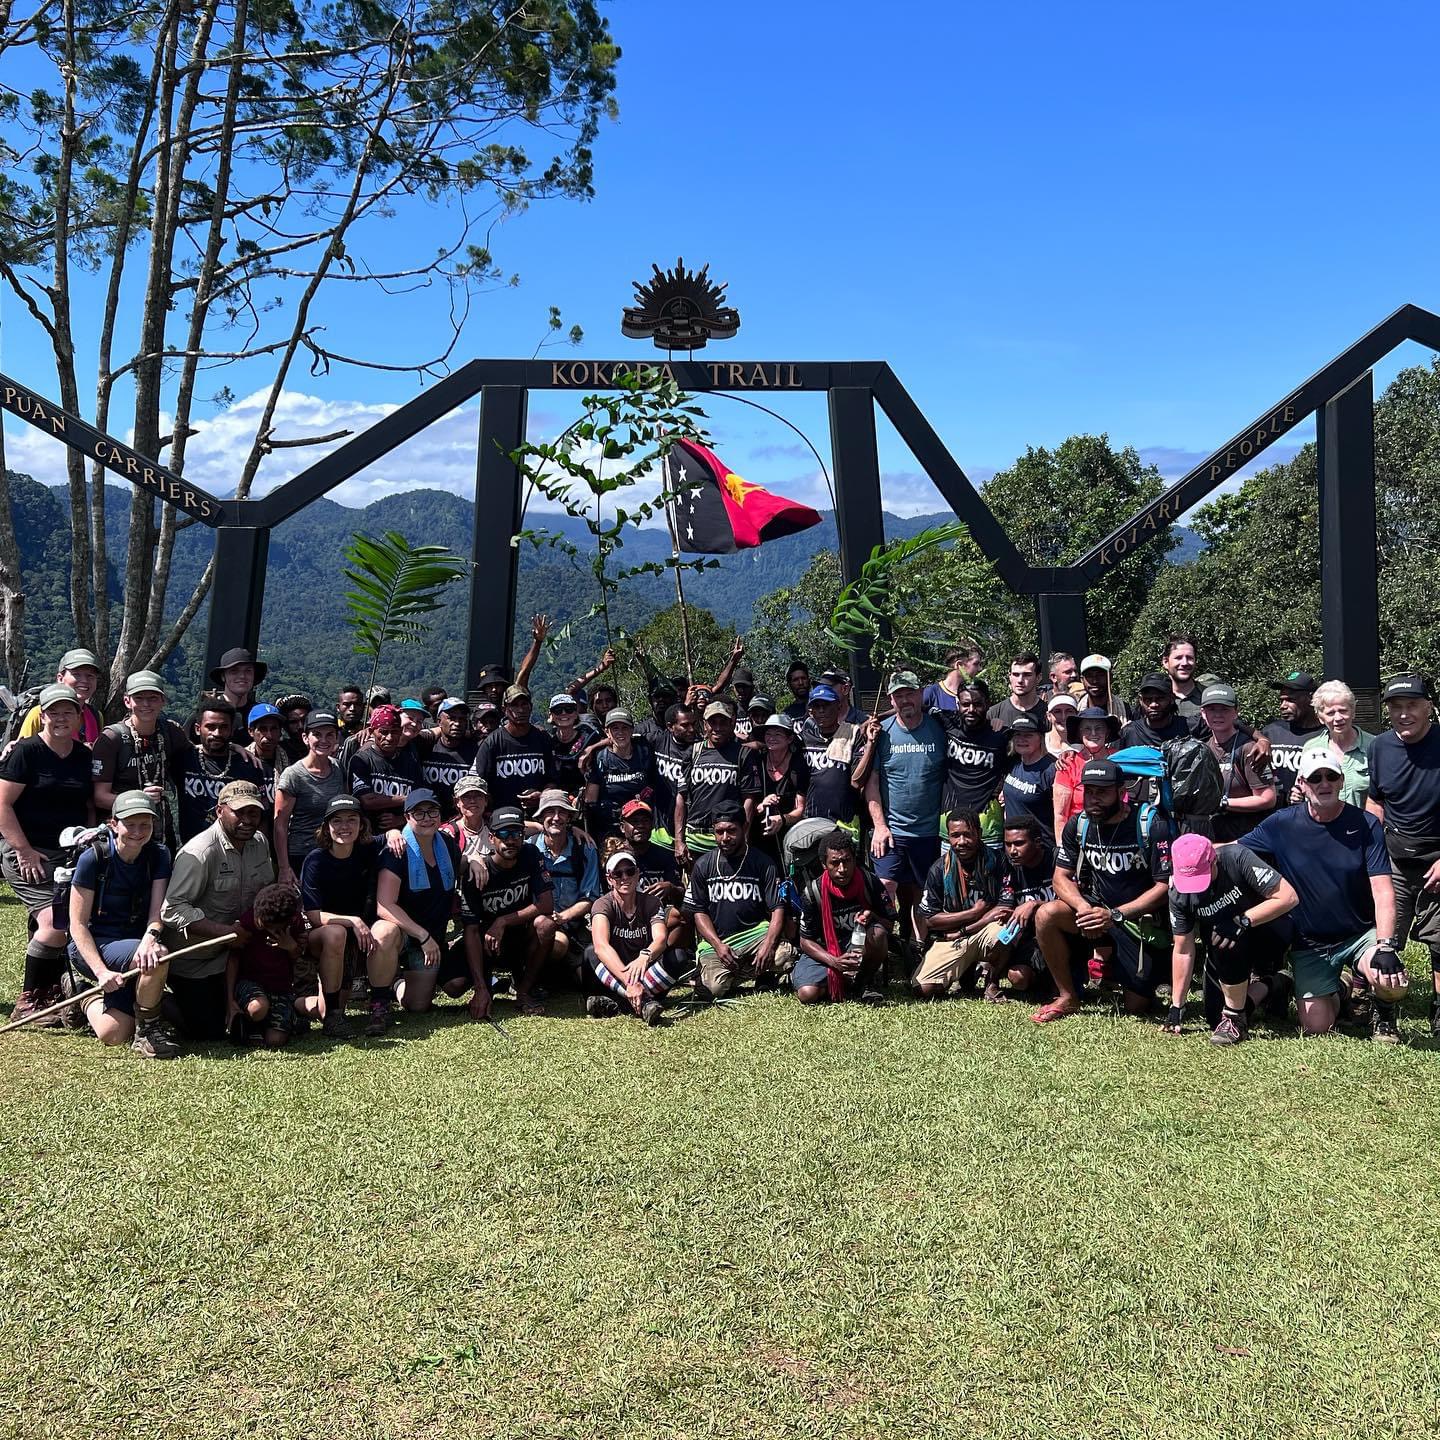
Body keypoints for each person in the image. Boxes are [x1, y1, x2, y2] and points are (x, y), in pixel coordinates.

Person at [1248, 751, 1401, 1040]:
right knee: (1316, 1027)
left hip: (1359, 934)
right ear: (1302, 784)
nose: (1324, 783)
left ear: (1342, 781)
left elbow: (1383, 890)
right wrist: (1194, 852)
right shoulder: (1280, 824)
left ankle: (1384, 1016)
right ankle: (1342, 987)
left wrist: (1386, 946)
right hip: (1310, 943)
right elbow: (1235, 850)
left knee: (1392, 978)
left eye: (1331, 776)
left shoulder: (1367, 824)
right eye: (1315, 778)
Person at [1032, 758, 1173, 1023]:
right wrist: (1084, 908)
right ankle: (1067, 996)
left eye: (1103, 792)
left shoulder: (1151, 824)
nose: (1094, 799)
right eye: (1089, 792)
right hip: (1095, 908)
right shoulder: (1079, 824)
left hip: (1136, 921)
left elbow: (1164, 887)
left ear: (1121, 792)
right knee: (1046, 914)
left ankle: (1114, 969)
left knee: (1136, 1006)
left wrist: (1115, 915)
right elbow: (1060, 877)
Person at [0, 683, 95, 1023]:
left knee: (63, 921)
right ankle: (28, 1001)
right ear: (42, 717)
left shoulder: (83, 756)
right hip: (28, 852)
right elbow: (2, 805)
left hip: (68, 854)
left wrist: (88, 842)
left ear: (79, 717)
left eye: (68, 712)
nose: (61, 718)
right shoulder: (26, 752)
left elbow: (88, 805)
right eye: (53, 712)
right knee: (56, 923)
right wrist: (23, 850)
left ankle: (54, 993)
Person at [65, 790, 179, 1057]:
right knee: (159, 957)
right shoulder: (93, 858)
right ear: (114, 824)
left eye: (145, 825)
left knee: (113, 1033)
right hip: (94, 945)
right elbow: (77, 925)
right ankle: (147, 1031)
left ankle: (84, 995)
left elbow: (156, 914)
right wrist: (101, 972)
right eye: (130, 824)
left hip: (135, 947)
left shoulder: (159, 855)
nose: (138, 832)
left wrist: (150, 939)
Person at [160, 779, 275, 1039]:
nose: (247, 820)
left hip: (240, 953)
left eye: (253, 813)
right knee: (207, 1031)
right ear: (219, 811)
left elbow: (265, 891)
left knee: (261, 1018)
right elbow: (172, 909)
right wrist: (225, 933)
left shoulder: (260, 842)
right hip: (196, 959)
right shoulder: (200, 852)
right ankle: (152, 1000)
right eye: (239, 812)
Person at [1164, 832, 1298, 1045]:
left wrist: (1242, 921)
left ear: (1213, 860)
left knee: (1225, 936)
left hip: (1267, 930)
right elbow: (1183, 949)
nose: (1194, 888)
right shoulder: (1177, 892)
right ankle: (1273, 984)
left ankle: (1236, 1020)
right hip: (1225, 947)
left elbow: (1288, 897)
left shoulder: (1237, 858)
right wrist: (1176, 1006)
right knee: (1215, 1017)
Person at [1365, 673, 1440, 1037]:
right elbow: (1376, 801)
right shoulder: (1379, 747)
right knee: (1386, 940)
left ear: (1429, 707)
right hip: (1394, 858)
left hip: (1437, 858)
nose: (1404, 714)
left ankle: (1439, 1011)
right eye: (1396, 707)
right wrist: (1371, 847)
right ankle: (1384, 1015)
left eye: (1412, 705)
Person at [300, 794, 399, 1038]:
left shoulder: (367, 848)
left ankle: (379, 1008)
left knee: (387, 929)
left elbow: (388, 835)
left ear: (361, 825)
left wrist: (394, 832)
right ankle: (326, 1015)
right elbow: (313, 915)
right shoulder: (315, 860)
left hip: (360, 938)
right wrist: (352, 920)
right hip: (328, 938)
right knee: (335, 933)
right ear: (326, 827)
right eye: (337, 821)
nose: (344, 826)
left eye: (351, 819)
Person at [864, 671, 946, 940]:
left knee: (923, 894)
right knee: (885, 886)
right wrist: (879, 826)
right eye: (898, 695)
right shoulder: (882, 733)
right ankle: (881, 944)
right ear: (891, 699)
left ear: (921, 694)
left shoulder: (939, 729)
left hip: (930, 831)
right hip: (893, 830)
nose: (905, 700)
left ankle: (918, 946)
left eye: (910, 693)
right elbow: (871, 782)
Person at [372, 788, 464, 1021]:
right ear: (407, 817)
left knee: (417, 1006)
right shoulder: (396, 849)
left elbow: (461, 864)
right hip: (405, 934)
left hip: (431, 935)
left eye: (432, 811)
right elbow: (384, 905)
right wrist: (422, 936)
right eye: (419, 813)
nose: (426, 818)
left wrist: (474, 861)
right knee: (384, 931)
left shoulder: (447, 844)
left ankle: (396, 983)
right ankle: (379, 1001)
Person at [456, 804, 555, 1018]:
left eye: (516, 834)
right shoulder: (478, 872)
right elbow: (471, 930)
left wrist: (502, 921)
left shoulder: (530, 854)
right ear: (491, 838)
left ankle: (524, 990)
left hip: (519, 938)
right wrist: (480, 988)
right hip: (486, 944)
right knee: (453, 986)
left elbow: (547, 904)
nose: (510, 840)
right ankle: (486, 985)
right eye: (503, 834)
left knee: (546, 924)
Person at [683, 808, 787, 999]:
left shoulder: (763, 862)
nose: (725, 838)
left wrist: (769, 945)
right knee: (713, 989)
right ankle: (748, 973)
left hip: (755, 935)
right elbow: (698, 911)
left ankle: (756, 971)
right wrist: (717, 945)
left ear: (744, 828)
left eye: (731, 830)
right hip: (720, 942)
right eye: (719, 832)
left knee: (784, 956)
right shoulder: (703, 865)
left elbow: (777, 908)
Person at [583, 840, 678, 1024]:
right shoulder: (602, 905)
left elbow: (660, 938)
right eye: (617, 874)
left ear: (638, 874)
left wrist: (645, 956)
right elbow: (601, 946)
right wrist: (630, 983)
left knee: (678, 956)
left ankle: (621, 1003)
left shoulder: (652, 903)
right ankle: (644, 1002)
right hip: (616, 971)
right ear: (609, 879)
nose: (624, 877)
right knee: (590, 953)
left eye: (630, 871)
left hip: (643, 969)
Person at [793, 828, 891, 1005]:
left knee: (878, 933)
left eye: (847, 861)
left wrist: (873, 916)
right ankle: (841, 979)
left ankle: (866, 981)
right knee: (808, 994)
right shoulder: (812, 893)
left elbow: (889, 925)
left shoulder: (869, 881)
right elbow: (805, 941)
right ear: (824, 864)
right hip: (826, 950)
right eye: (835, 863)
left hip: (859, 947)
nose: (842, 869)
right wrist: (834, 961)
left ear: (854, 860)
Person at [911, 810, 1003, 999]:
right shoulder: (939, 869)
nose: (961, 841)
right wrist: (973, 913)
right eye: (955, 835)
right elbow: (930, 920)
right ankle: (966, 970)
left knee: (1003, 931)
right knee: (923, 988)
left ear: (979, 833)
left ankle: (991, 982)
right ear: (948, 837)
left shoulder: (998, 861)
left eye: (968, 834)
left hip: (985, 931)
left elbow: (1004, 909)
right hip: (953, 937)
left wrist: (966, 928)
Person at [90, 669, 190, 825]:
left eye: (153, 698)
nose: (146, 704)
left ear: (163, 700)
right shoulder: (111, 739)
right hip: (121, 828)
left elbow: (196, 758)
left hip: (160, 826)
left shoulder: (171, 732)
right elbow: (100, 797)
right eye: (139, 698)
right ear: (127, 701)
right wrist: (140, 800)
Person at [226, 882, 314, 1048]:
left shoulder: (294, 922)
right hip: (250, 983)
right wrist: (230, 1000)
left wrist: (291, 947)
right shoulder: (248, 922)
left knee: (275, 1041)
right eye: (260, 921)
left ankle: (292, 1019)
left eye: (270, 927)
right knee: (258, 1008)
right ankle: (251, 1022)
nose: (261, 925)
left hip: (280, 988)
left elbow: (297, 957)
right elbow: (233, 959)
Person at [674, 700, 761, 863]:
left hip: (728, 839)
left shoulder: (743, 754)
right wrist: (679, 841)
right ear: (704, 724)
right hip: (695, 839)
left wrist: (744, 838)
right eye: (713, 722)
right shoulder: (693, 752)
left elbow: (749, 799)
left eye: (723, 722)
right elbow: (681, 797)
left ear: (731, 723)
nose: (718, 727)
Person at [984, 816, 1056, 1002]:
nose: (1012, 851)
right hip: (1028, 939)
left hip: (1061, 936)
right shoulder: (1008, 867)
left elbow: (1074, 904)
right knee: (1018, 978)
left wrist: (1034, 904)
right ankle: (991, 980)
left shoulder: (1056, 860)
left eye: (1019, 843)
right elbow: (1004, 904)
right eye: (1008, 845)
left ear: (1037, 842)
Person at [529, 789, 600, 971]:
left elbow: (590, 897)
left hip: (572, 925)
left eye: (562, 812)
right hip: (533, 925)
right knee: (554, 940)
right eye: (549, 811)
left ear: (569, 817)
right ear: (540, 817)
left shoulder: (585, 850)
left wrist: (562, 917)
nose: (556, 817)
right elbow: (497, 826)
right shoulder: (528, 848)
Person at [274, 711, 345, 888]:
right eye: (317, 734)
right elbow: (280, 824)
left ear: (336, 738)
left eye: (330, 735)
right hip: (302, 856)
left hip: (334, 853)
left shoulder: (338, 768)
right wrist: (284, 867)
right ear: (305, 738)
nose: (324, 740)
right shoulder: (293, 775)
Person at [176, 699, 263, 842]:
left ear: (231, 730)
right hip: (192, 847)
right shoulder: (183, 760)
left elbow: (259, 814)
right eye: (210, 727)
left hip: (235, 846)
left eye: (223, 727)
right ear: (198, 729)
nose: (217, 733)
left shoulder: (248, 766)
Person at [1199, 683, 1275, 842]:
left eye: (1224, 709)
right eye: (1212, 709)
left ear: (1236, 712)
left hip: (1248, 837)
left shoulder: (1250, 749)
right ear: (1203, 713)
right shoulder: (1204, 749)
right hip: (1215, 834)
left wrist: (1222, 803)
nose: (1218, 715)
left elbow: (1267, 799)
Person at [472, 684, 555, 813]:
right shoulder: (492, 742)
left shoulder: (543, 738)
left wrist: (542, 795)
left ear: (531, 707)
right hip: (501, 815)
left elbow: (553, 779)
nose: (520, 710)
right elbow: (480, 783)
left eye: (524, 704)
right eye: (514, 705)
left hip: (539, 813)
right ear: (505, 709)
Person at [938, 684, 1009, 834]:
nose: (971, 709)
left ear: (988, 704)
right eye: (965, 704)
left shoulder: (1001, 735)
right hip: (950, 824)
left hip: (987, 826)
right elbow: (913, 707)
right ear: (958, 704)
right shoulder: (948, 722)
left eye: (977, 704)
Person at [349, 703, 424, 832]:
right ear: (372, 732)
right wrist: (407, 798)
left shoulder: (411, 762)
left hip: (403, 835)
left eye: (395, 732)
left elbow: (423, 799)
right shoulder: (361, 760)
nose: (389, 738)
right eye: (383, 732)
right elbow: (367, 800)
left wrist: (401, 819)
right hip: (367, 835)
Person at [584, 708, 657, 840]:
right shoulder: (600, 759)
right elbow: (590, 802)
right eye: (615, 728)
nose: (620, 732)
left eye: (625, 728)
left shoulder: (644, 753)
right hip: (610, 829)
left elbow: (654, 785)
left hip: (641, 827)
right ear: (607, 732)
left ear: (632, 730)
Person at [798, 685, 864, 828]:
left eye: (826, 705)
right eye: (817, 706)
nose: (822, 710)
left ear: (838, 706)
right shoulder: (803, 739)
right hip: (811, 821)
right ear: (811, 711)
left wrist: (870, 744)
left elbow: (858, 781)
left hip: (844, 821)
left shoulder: (852, 734)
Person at [1304, 679, 1375, 807]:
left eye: (1343, 711)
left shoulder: (1375, 746)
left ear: (1353, 712)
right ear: (1320, 718)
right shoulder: (1311, 748)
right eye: (1330, 713)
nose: (1338, 718)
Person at [16, 646, 105, 744]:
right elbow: (24, 749)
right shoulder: (40, 714)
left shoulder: (96, 716)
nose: (84, 680)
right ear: (60, 678)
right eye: (76, 674)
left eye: (90, 676)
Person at [1261, 670, 1325, 806]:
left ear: (1311, 699)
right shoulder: (1270, 733)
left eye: (1290, 700)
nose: (1283, 706)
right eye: (1281, 700)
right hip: (1271, 814)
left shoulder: (1326, 736)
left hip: (1310, 813)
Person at [1054, 707, 1121, 830]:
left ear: (1107, 732)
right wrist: (1062, 842)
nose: (1093, 733)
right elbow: (1060, 815)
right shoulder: (1068, 764)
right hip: (1079, 834)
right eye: (1087, 729)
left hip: (1117, 833)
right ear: (1080, 734)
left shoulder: (1120, 759)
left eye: (1099, 728)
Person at [754, 713, 809, 861]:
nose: (772, 738)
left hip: (789, 835)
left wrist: (782, 820)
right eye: (768, 734)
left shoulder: (799, 766)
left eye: (778, 734)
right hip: (758, 835)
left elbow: (801, 809)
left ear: (789, 739)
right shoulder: (757, 761)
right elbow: (747, 801)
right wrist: (761, 805)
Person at [191, 647, 266, 746]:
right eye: (234, 671)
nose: (242, 676)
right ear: (223, 676)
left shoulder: (261, 715)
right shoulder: (207, 713)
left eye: (248, 671)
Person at [417, 696, 477, 817]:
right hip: (427, 817)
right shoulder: (425, 746)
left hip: (461, 818)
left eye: (462, 719)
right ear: (439, 721)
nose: (457, 723)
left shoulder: (476, 750)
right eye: (451, 718)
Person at [1001, 715, 1058, 837]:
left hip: (1041, 843)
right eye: (1017, 734)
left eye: (1028, 735)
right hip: (1013, 842)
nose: (1021, 739)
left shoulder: (1051, 769)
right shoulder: (1013, 763)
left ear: (1040, 738)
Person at [1121, 672, 1201, 750]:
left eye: (1160, 699)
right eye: (1148, 700)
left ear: (1172, 699)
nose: (1153, 705)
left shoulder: (1189, 727)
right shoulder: (1130, 733)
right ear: (1141, 701)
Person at [988, 651, 1047, 730]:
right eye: (1015, 674)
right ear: (1009, 676)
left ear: (1038, 678)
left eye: (1027, 675)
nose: (1020, 680)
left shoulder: (1049, 714)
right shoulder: (993, 713)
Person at [546, 692, 589, 795]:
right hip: (557, 796)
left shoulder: (588, 737)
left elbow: (610, 740)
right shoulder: (548, 742)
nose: (564, 713)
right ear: (551, 715)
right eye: (558, 710)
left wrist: (591, 748)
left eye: (569, 709)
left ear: (576, 713)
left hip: (585, 793)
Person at [441, 774, 492, 859]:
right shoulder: (448, 833)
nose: (472, 801)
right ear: (457, 802)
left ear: (486, 800)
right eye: (466, 797)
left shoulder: (495, 829)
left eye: (478, 796)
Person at [245, 702, 285, 807]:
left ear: (280, 732)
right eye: (263, 729)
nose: (269, 735)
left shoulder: (290, 762)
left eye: (273, 729)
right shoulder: (241, 762)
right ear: (251, 731)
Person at [922, 646, 983, 713]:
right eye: (976, 664)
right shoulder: (930, 694)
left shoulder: (975, 695)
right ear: (959, 665)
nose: (980, 669)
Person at [1162, 635, 1203, 720]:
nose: (1185, 663)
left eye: (1190, 658)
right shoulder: (1154, 699)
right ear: (1166, 662)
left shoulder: (1208, 697)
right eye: (1178, 658)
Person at [1079, 654, 1131, 721]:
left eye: (1100, 675)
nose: (1095, 681)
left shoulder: (1128, 711)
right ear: (1082, 680)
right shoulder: (1074, 711)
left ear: (1110, 678)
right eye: (1089, 676)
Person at [276, 695, 312, 765]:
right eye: (293, 722)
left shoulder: (323, 747)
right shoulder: (277, 751)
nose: (300, 726)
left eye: (304, 720)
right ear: (284, 726)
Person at [1044, 693, 1077, 761]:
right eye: (1057, 712)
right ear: (1049, 716)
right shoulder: (1041, 742)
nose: (1063, 717)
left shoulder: (1085, 744)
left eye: (1069, 711)